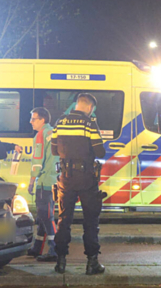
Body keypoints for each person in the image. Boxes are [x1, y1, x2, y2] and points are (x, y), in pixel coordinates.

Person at [52, 93, 106, 275]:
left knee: (63, 220)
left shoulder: (60, 122)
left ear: (77, 105)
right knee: (90, 221)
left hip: (65, 178)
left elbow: (53, 150)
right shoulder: (90, 124)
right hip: (86, 179)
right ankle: (92, 263)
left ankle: (60, 262)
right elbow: (100, 151)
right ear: (90, 108)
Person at [27, 107, 58, 261]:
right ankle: (37, 247)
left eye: (33, 119)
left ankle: (54, 249)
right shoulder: (55, 133)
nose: (30, 122)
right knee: (43, 215)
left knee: (46, 216)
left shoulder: (41, 135)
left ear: (42, 120)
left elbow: (37, 161)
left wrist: (32, 181)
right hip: (55, 181)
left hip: (45, 182)